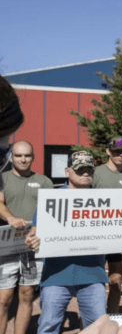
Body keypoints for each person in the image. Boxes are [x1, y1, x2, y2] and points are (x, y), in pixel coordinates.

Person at [24, 151, 122, 333]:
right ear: (68, 171)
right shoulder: (51, 199)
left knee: (98, 327)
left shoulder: (106, 200)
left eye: (89, 169)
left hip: (92, 275)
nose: (85, 174)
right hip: (56, 275)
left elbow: (114, 233)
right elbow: (34, 232)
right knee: (48, 326)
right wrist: (31, 240)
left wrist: (121, 244)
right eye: (80, 170)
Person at [0, 141, 52, 334]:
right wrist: (10, 217)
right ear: (11, 157)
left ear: (33, 157)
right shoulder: (2, 179)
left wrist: (39, 231)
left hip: (33, 247)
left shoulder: (44, 181)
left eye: (27, 155)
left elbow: (49, 211)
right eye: (19, 155)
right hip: (6, 247)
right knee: (3, 298)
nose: (23, 159)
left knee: (27, 294)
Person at [91, 137, 122, 313]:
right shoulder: (95, 174)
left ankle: (112, 319)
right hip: (95, 239)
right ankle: (91, 324)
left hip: (121, 241)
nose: (120, 155)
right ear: (108, 152)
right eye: (116, 151)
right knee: (93, 285)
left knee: (116, 283)